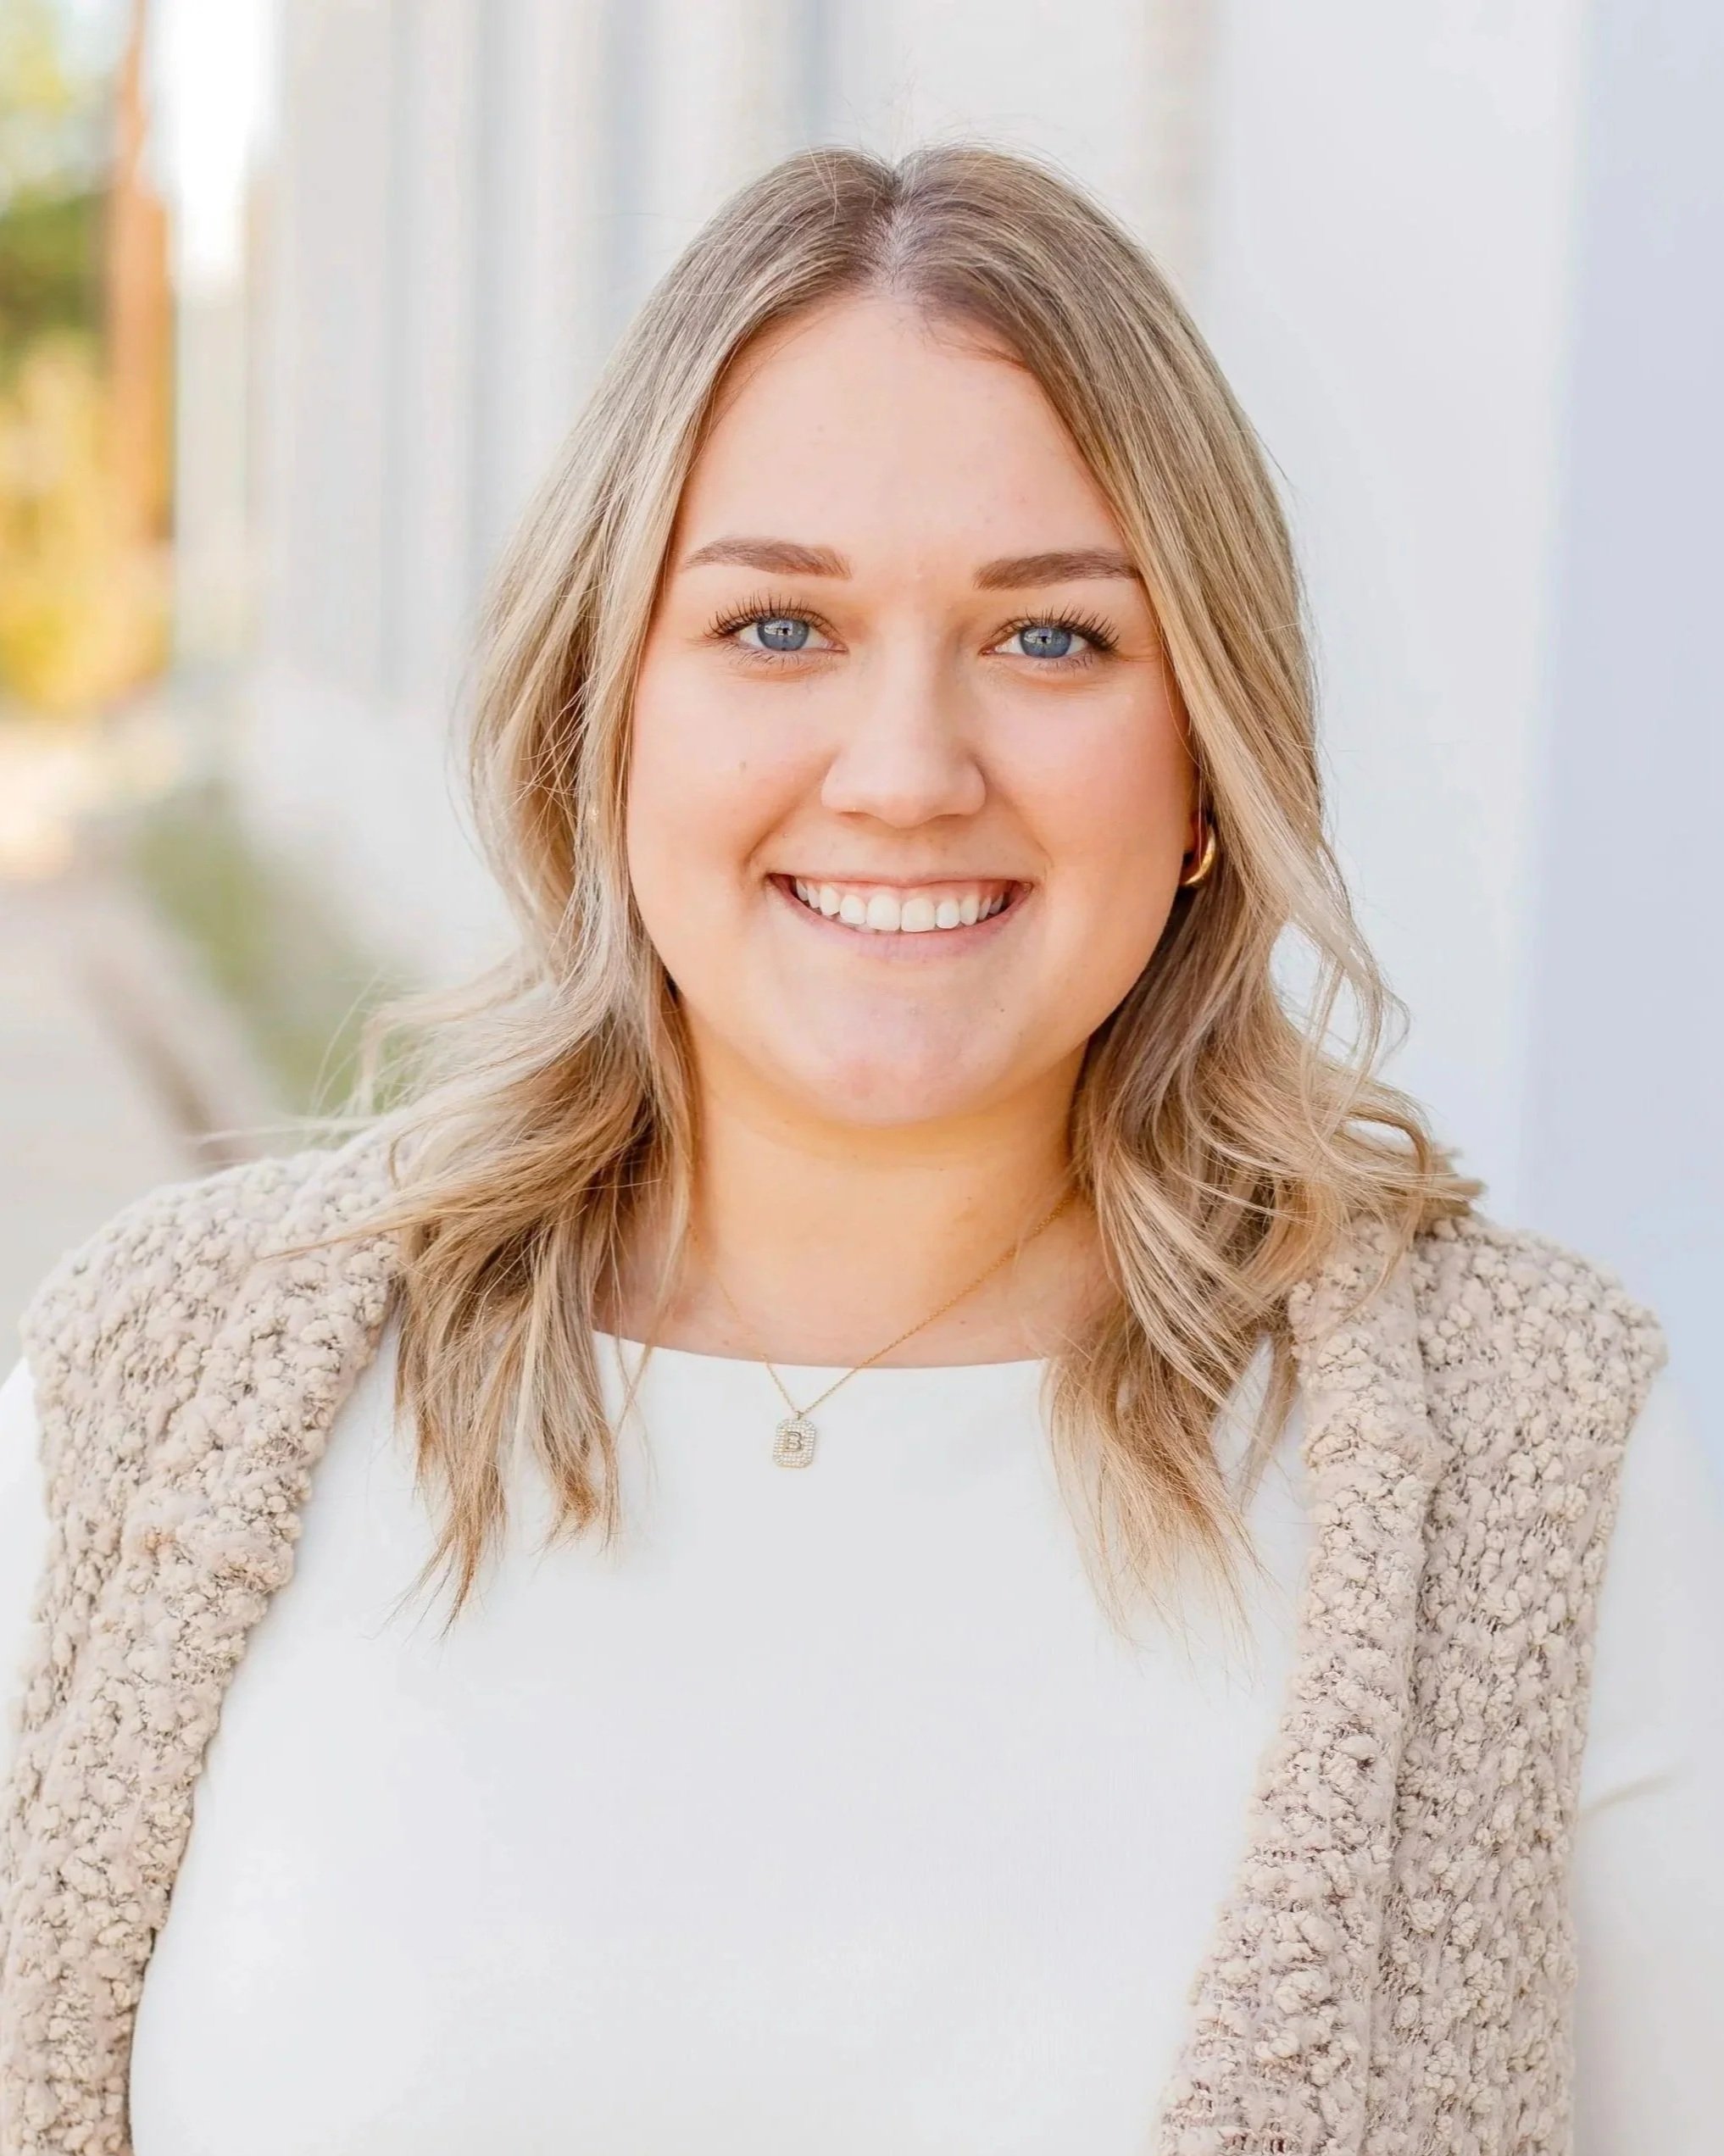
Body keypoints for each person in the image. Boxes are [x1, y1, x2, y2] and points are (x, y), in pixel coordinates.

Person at [0, 145, 1720, 2156]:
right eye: (779, 630)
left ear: (1204, 774)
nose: (907, 775)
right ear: (604, 708)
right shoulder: (170, 1378)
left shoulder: (1520, 1455)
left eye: (1053, 640)